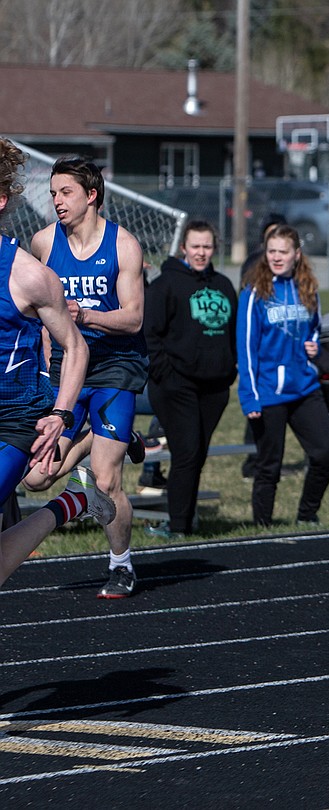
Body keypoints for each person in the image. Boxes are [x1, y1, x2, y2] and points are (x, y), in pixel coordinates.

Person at [22, 156, 148, 599]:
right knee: (37, 477)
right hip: (65, 370)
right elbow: (36, 315)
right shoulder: (42, 242)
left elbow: (134, 319)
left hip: (116, 365)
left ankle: (120, 564)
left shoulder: (124, 245)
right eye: (53, 193)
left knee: (107, 479)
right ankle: (107, 435)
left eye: (65, 192)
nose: (56, 201)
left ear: (91, 195)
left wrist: (87, 314)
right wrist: (42, 363)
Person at [0, 138, 115, 586]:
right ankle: (70, 504)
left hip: (13, 417)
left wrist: (61, 413)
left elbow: (76, 347)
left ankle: (79, 452)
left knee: (33, 479)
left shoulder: (28, 275)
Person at [141, 220, 238, 539]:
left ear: (215, 248)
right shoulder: (166, 284)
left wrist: (230, 369)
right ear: (183, 247)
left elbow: (233, 333)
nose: (201, 252)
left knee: (196, 454)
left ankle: (185, 517)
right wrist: (165, 374)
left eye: (207, 247)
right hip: (175, 385)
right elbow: (150, 333)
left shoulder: (223, 285)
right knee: (186, 452)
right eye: (195, 246)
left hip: (214, 387)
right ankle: (179, 526)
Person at [237, 223, 329, 527]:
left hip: (305, 387)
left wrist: (314, 346)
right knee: (269, 465)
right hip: (268, 391)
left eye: (283, 252)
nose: (276, 258)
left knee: (326, 454)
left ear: (297, 254)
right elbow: (245, 348)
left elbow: (317, 329)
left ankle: (307, 515)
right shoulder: (255, 293)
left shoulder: (308, 288)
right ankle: (263, 527)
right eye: (271, 251)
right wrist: (250, 397)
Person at [239, 213, 287, 481]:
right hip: (260, 349)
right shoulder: (254, 263)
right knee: (257, 407)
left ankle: (269, 460)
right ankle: (253, 461)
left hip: (282, 352)